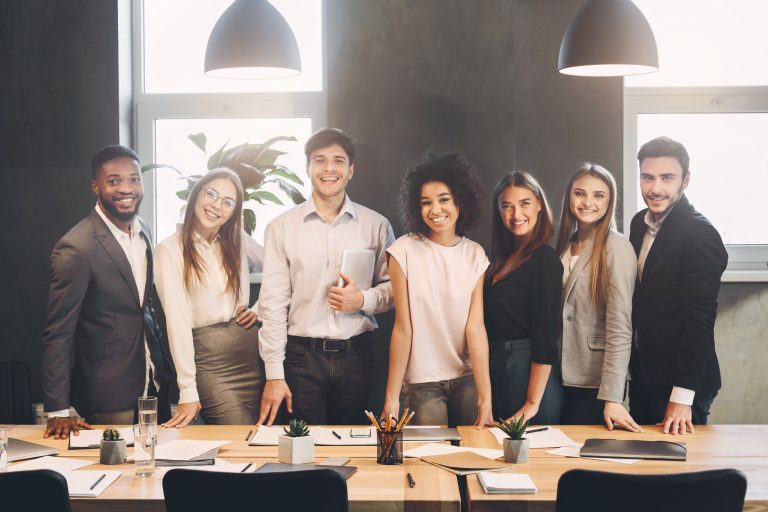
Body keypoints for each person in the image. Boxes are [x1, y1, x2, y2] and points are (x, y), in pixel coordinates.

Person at [257, 127, 395, 426]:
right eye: (320, 160)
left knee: (353, 448)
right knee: (301, 452)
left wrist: (363, 299)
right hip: (301, 357)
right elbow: (273, 302)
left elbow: (395, 289)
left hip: (358, 355)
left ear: (351, 170)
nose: (329, 169)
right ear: (308, 168)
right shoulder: (282, 228)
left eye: (338, 161)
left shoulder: (376, 225)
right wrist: (274, 375)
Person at [42, 145, 171, 439]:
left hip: (154, 383)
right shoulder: (76, 247)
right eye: (114, 181)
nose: (126, 188)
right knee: (116, 475)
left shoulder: (144, 231)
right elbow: (58, 333)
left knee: (156, 471)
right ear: (96, 187)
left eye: (134, 179)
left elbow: (142, 306)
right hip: (108, 393)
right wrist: (58, 410)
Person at [381, 152, 493, 428]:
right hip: (422, 385)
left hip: (466, 380)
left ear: (460, 201)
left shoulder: (474, 254)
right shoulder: (403, 250)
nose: (435, 209)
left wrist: (486, 397)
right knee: (428, 464)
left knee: (473, 460)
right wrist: (392, 398)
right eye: (426, 203)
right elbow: (402, 328)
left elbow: (475, 329)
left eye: (444, 199)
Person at [629, 136, 727, 434]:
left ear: (685, 181)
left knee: (679, 473)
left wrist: (682, 396)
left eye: (666, 178)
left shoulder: (700, 234)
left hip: (682, 384)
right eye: (647, 177)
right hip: (645, 375)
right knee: (643, 468)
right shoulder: (637, 223)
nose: (655, 188)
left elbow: (700, 321)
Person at [155, 169, 263, 426]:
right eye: (211, 194)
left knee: (260, 442)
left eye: (228, 202)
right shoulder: (169, 250)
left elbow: (281, 270)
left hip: (253, 363)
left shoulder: (236, 240)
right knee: (238, 438)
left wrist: (261, 308)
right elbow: (177, 322)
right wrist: (188, 391)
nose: (217, 205)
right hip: (212, 366)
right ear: (196, 195)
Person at [555, 164, 641, 431]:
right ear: (569, 197)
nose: (587, 202)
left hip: (595, 383)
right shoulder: (566, 245)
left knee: (585, 464)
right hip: (560, 376)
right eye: (580, 193)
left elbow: (620, 325)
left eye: (598, 195)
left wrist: (612, 396)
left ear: (610, 201)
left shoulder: (616, 247)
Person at [484, 171, 562, 425]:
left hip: (530, 377)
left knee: (534, 459)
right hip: (499, 368)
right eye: (507, 206)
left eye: (525, 203)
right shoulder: (500, 261)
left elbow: (546, 336)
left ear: (539, 204)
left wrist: (532, 402)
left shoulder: (544, 259)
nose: (516, 215)